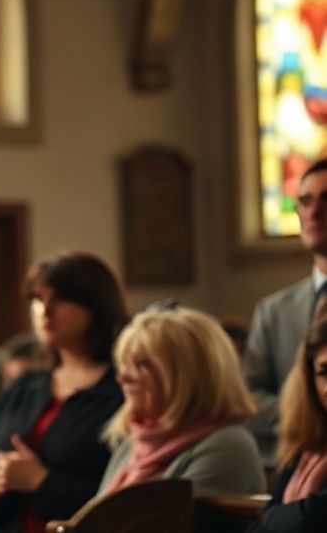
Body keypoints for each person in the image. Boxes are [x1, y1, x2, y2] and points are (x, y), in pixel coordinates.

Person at [0, 252, 127, 533]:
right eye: (36, 298)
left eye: (59, 298)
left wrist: (43, 482)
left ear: (95, 304)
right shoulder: (23, 388)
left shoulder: (124, 389)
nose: (44, 309)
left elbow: (129, 497)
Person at [97, 306, 263, 496]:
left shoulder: (228, 446)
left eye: (141, 365)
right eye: (124, 364)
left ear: (189, 375)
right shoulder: (133, 443)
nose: (122, 378)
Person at [246, 158, 327, 463]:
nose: (314, 212)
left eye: (326, 199)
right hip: (291, 462)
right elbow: (248, 396)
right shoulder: (273, 311)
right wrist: (304, 418)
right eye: (305, 201)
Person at [251, 314, 327, 531]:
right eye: (324, 372)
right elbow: (259, 524)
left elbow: (309, 518)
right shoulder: (308, 447)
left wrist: (273, 517)